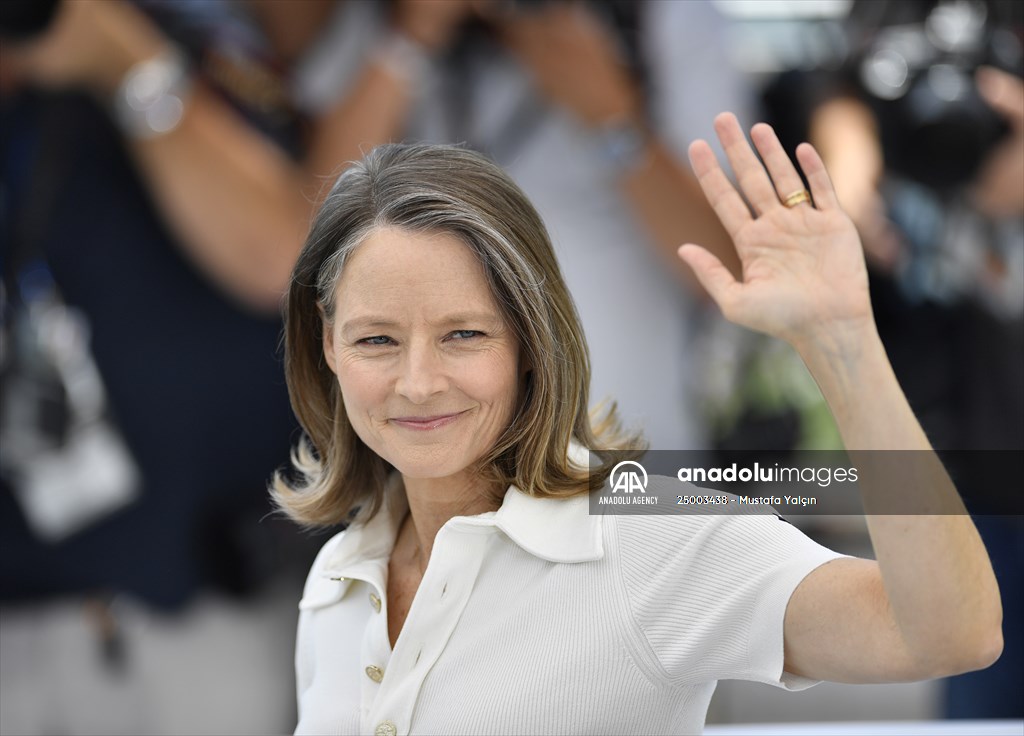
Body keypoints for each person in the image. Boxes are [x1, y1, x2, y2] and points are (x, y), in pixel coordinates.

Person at [273, 113, 1003, 735]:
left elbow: (950, 634)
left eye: (464, 334)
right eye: (377, 339)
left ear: (530, 343)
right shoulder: (337, 577)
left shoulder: (647, 535)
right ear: (328, 345)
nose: (418, 382)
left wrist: (843, 343)